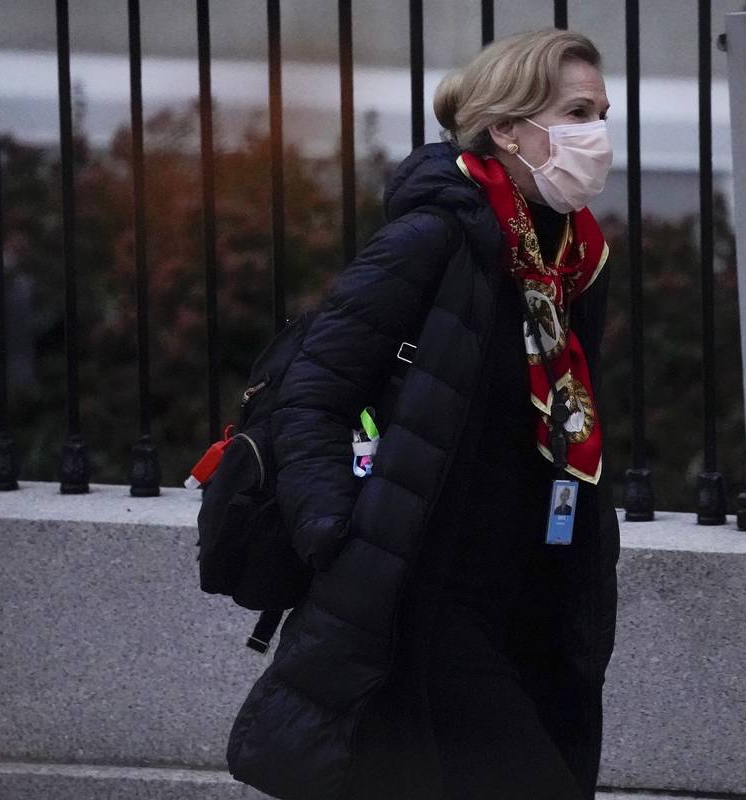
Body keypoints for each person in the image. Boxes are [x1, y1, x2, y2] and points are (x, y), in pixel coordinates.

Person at [225, 29, 620, 800]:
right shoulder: (435, 235)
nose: (597, 134)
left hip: (532, 594)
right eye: (577, 112)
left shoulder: (570, 257)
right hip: (430, 594)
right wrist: (333, 533)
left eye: (603, 112)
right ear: (506, 128)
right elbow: (313, 390)